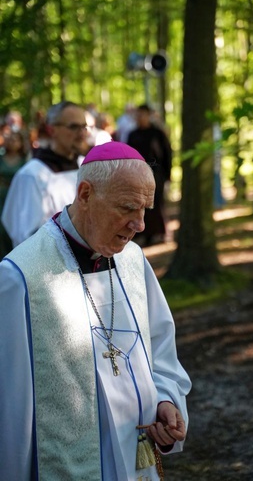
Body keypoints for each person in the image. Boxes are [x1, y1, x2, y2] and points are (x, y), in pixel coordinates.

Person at [0, 140, 191, 480]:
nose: (140, 225)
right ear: (86, 194)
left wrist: (164, 400)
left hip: (138, 458)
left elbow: (160, 350)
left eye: (145, 209)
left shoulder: (133, 261)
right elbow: (10, 406)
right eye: (127, 207)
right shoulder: (21, 277)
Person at [1, 100, 90, 247]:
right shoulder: (32, 175)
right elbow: (26, 237)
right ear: (51, 130)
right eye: (73, 127)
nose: (81, 133)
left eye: (84, 127)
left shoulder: (86, 166)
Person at [127, 104, 172, 246]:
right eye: (138, 115)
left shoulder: (157, 133)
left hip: (156, 173)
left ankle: (159, 232)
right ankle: (143, 233)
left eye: (143, 115)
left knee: (156, 203)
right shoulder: (132, 135)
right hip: (137, 174)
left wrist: (167, 175)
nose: (140, 118)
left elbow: (167, 154)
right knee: (139, 204)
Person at [0, 130, 27, 258]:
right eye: (10, 139)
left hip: (17, 197)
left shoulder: (24, 161)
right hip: (1, 195)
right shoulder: (1, 158)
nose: (12, 142)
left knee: (13, 226)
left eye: (16, 139)